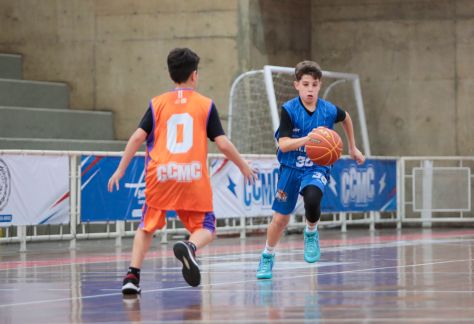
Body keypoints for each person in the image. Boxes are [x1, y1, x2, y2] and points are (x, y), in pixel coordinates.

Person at [108, 47, 256, 294]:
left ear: (170, 74)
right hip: (192, 176)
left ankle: (132, 276)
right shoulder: (205, 105)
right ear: (195, 75)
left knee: (147, 226)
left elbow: (136, 138)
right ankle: (190, 247)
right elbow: (222, 143)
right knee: (206, 227)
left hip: (161, 174)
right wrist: (242, 165)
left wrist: (121, 170)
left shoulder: (157, 104)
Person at [256, 60, 365, 279]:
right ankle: (267, 256)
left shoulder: (328, 109)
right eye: (305, 84)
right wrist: (309, 139)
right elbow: (284, 144)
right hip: (290, 167)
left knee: (313, 198)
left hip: (316, 166)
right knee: (280, 220)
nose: (310, 89)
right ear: (297, 85)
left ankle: (311, 232)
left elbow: (346, 118)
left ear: (319, 85)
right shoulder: (289, 110)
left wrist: (352, 147)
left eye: (314, 85)